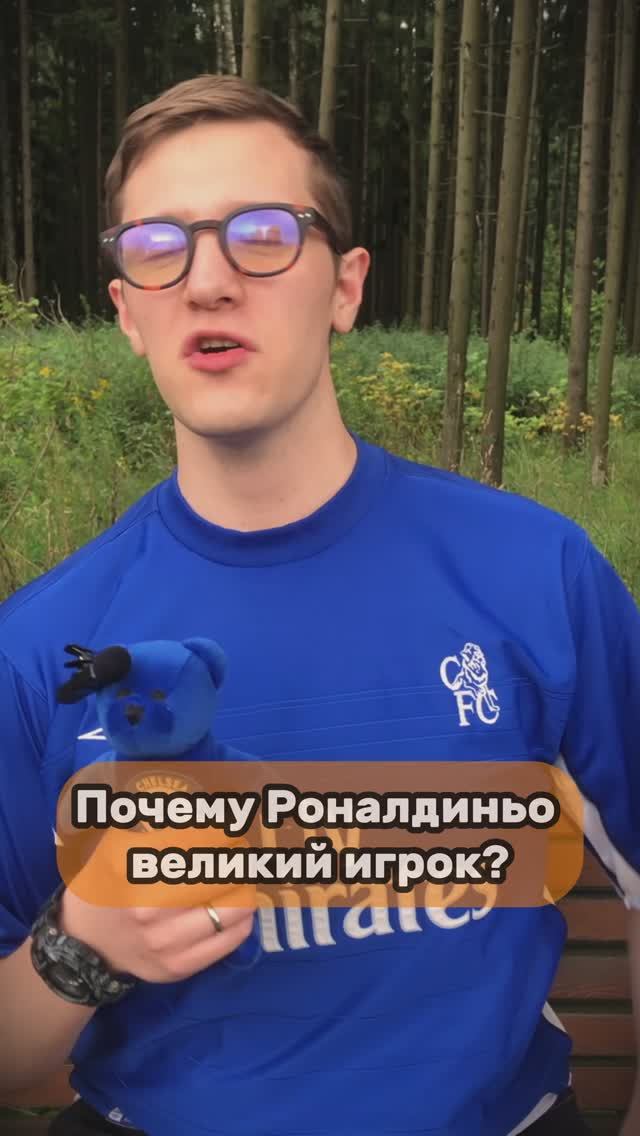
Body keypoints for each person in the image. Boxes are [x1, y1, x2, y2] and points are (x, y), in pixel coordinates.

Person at [0, 74, 639, 1136]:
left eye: (261, 235)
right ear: (127, 312)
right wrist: (81, 947)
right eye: (159, 246)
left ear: (345, 287)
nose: (208, 281)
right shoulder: (43, 646)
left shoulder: (538, 574)